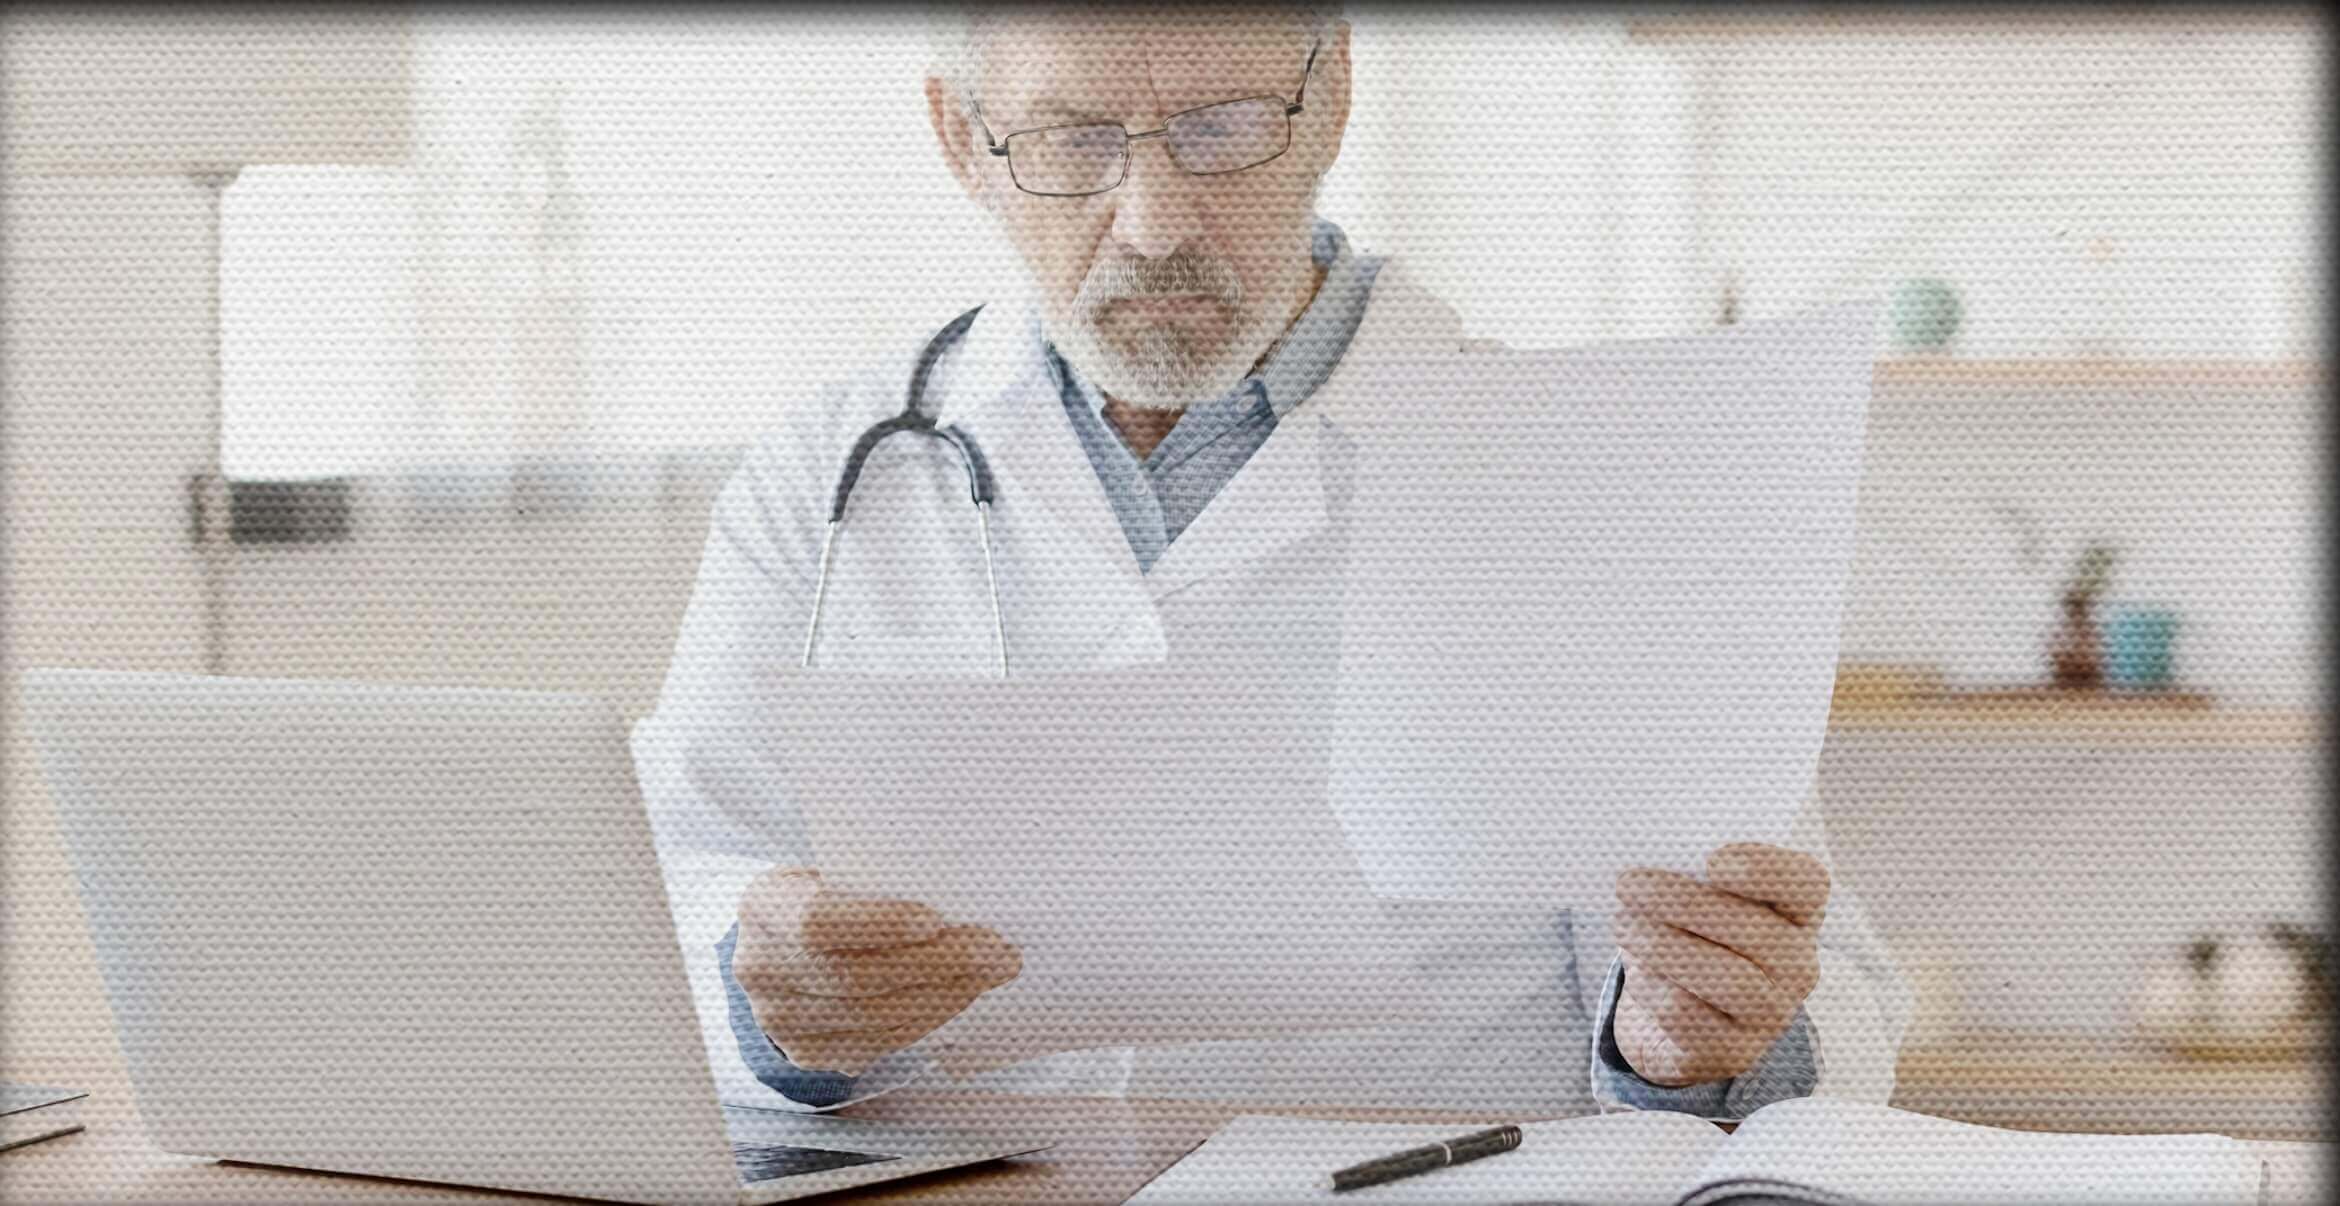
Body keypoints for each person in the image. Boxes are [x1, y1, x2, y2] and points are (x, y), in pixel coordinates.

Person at [630, 1, 1913, 1120]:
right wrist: (768, 1003)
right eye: (1074, 142)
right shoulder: (828, 474)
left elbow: (1818, 991)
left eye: (1223, 125)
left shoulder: (1567, 474)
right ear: (964, 141)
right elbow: (661, 904)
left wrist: (1698, 1047)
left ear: (1334, 92)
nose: (1152, 225)